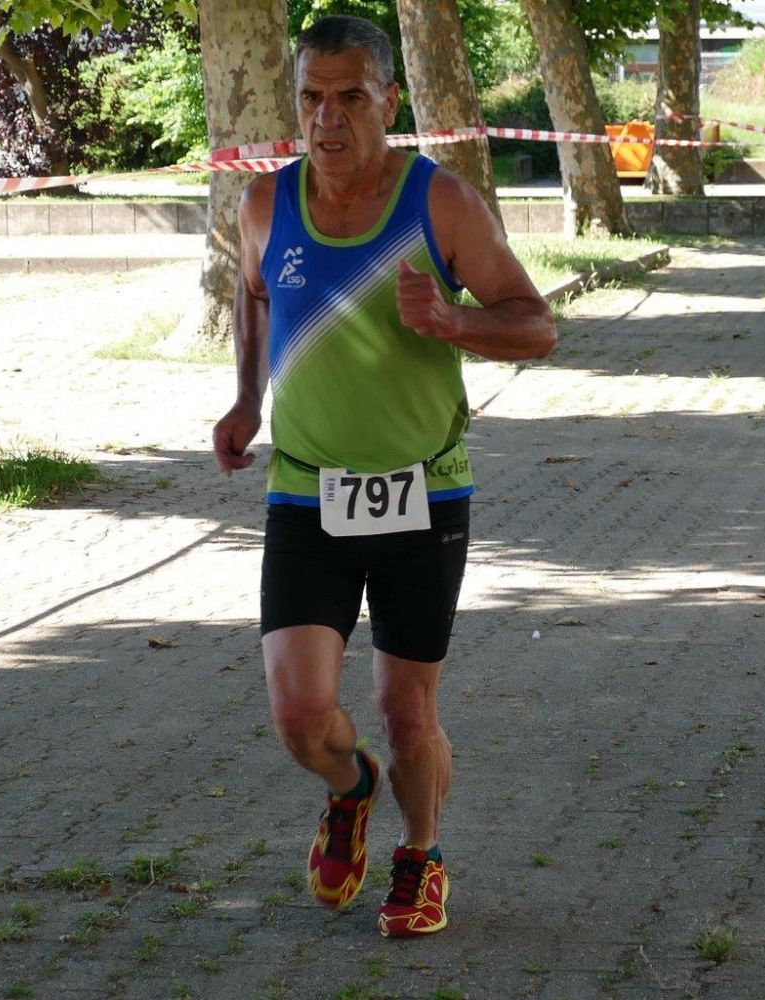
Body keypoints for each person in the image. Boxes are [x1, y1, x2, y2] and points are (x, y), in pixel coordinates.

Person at [212, 14, 556, 938]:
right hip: (306, 489)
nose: (327, 118)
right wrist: (245, 400)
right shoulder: (264, 204)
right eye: (311, 98)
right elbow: (253, 294)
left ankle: (420, 854)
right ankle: (349, 786)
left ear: (388, 101)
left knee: (407, 709)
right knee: (298, 713)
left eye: (350, 98)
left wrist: (454, 322)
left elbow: (535, 325)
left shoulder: (438, 203)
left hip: (423, 490)